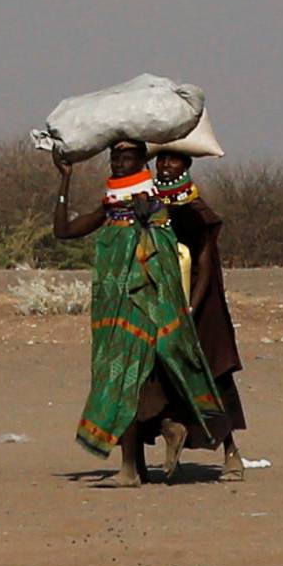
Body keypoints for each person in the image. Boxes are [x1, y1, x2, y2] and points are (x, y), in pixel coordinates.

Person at [52, 138, 229, 486]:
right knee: (124, 380)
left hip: (145, 306)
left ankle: (131, 467)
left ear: (140, 160)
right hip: (112, 307)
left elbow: (186, 233)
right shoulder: (111, 206)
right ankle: (161, 435)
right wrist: (64, 179)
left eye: (127, 156)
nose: (118, 162)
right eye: (114, 157)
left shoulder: (156, 201)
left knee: (125, 380)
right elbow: (64, 231)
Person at [152, 148, 247, 480]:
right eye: (161, 159)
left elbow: (204, 263)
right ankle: (171, 440)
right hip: (163, 303)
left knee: (212, 377)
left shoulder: (195, 210)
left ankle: (231, 452)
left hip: (200, 306)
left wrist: (191, 308)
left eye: (173, 160)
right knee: (162, 378)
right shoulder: (150, 207)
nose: (165, 165)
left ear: (187, 164)